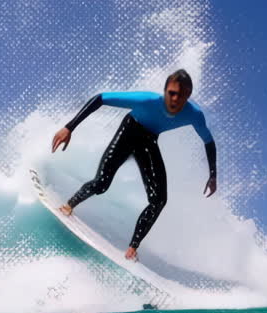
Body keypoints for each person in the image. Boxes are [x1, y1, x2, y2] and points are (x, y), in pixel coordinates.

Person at [51, 69, 217, 260]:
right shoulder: (146, 100)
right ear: (165, 91)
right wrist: (69, 127)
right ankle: (69, 204)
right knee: (102, 183)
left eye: (182, 96)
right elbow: (100, 98)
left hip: (149, 141)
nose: (175, 99)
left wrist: (213, 175)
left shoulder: (194, 115)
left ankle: (132, 248)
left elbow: (208, 141)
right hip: (129, 131)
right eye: (172, 93)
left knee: (159, 200)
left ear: (188, 96)